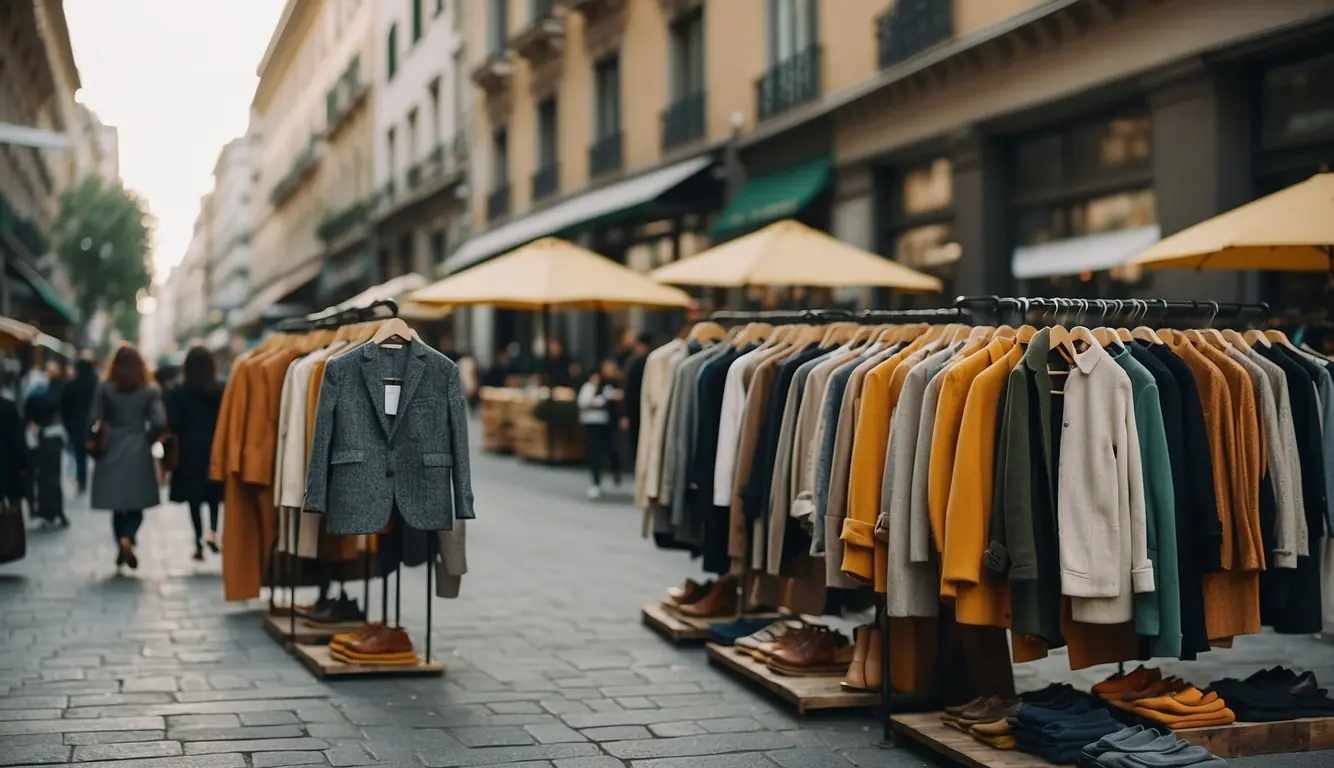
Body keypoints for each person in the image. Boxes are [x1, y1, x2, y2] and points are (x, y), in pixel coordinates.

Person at [89, 344, 164, 570]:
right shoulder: (149, 391)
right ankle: (128, 537)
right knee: (137, 503)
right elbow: (159, 421)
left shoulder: (104, 388)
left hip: (112, 445)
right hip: (138, 447)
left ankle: (121, 539)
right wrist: (148, 438)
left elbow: (93, 417)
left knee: (116, 504)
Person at [165, 346, 225, 561]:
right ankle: (213, 532)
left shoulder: (177, 393)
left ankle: (198, 541)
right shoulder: (221, 390)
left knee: (194, 499)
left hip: (189, 451)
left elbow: (172, 422)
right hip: (215, 448)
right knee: (214, 496)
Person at [24, 361, 67, 527]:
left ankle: (48, 510)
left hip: (45, 436)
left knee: (46, 476)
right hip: (50, 436)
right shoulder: (53, 390)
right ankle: (53, 510)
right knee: (50, 476)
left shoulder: (40, 392)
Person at [578, 360, 623, 499]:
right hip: (591, 423)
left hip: (606, 423)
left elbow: (618, 396)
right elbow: (584, 402)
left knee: (612, 449)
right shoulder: (587, 388)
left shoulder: (609, 387)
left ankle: (615, 472)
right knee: (595, 451)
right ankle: (596, 482)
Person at [61, 355, 97, 494]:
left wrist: (68, 425)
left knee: (79, 455)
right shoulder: (96, 383)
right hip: (93, 424)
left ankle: (81, 481)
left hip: (75, 425)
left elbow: (64, 407)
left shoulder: (71, 385)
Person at [620, 332, 653, 465]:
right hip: (646, 409)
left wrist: (625, 413)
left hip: (636, 409)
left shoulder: (636, 362)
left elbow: (630, 390)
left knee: (636, 443)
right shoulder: (650, 361)